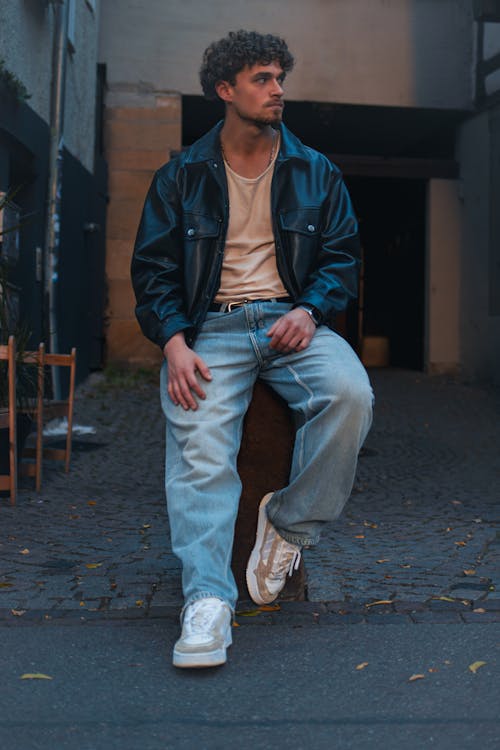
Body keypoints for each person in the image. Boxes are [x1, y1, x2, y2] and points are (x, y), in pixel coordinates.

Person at [131, 30, 373, 669]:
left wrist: (310, 307)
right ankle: (208, 603)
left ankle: (288, 527)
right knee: (202, 452)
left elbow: (342, 257)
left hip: (293, 324)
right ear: (225, 90)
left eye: (279, 79)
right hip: (210, 329)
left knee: (351, 396)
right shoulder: (181, 175)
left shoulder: (314, 170)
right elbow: (153, 270)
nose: (277, 91)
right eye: (262, 79)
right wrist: (174, 343)